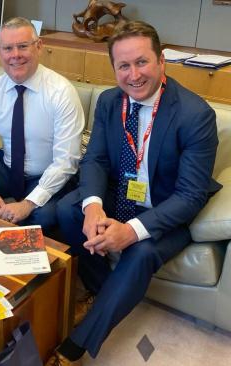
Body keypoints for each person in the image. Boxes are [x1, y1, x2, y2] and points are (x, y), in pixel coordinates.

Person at [51, 21, 220, 365]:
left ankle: (76, 346)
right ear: (114, 68)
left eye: (142, 62)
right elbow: (95, 158)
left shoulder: (195, 114)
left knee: (140, 252)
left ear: (162, 62)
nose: (134, 75)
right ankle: (105, 287)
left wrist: (130, 232)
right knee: (69, 209)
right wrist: (94, 208)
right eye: (123, 66)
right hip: (120, 194)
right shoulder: (111, 102)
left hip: (167, 206)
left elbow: (188, 196)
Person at [0, 17, 85, 232]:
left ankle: (16, 251)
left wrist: (28, 204)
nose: (15, 55)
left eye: (22, 46)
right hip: (8, 168)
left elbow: (66, 161)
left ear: (39, 47)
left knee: (43, 216)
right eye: (8, 48)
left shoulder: (61, 92)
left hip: (47, 173)